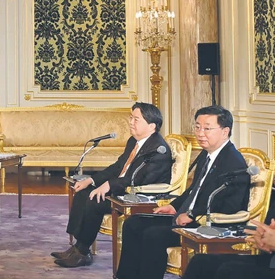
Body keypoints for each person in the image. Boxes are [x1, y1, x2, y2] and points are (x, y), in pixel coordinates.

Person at [115, 105, 251, 279]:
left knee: (154, 235)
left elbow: (224, 201)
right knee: (133, 223)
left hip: (209, 223)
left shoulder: (232, 162)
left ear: (225, 132)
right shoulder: (207, 154)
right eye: (197, 127)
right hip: (189, 215)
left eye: (207, 129)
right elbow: (194, 190)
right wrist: (173, 206)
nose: (200, 133)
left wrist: (193, 215)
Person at [54, 102, 173, 268]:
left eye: (136, 119)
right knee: (83, 192)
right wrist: (91, 180)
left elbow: (139, 181)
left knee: (94, 200)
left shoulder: (158, 150)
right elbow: (117, 167)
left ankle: (82, 252)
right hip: (122, 187)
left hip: (139, 196)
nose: (130, 122)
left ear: (151, 126)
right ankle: (77, 247)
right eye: (131, 118)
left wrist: (109, 185)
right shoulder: (134, 141)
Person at [181, 189, 275, 279]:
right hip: (269, 260)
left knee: (230, 271)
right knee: (201, 262)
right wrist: (262, 238)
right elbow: (267, 229)